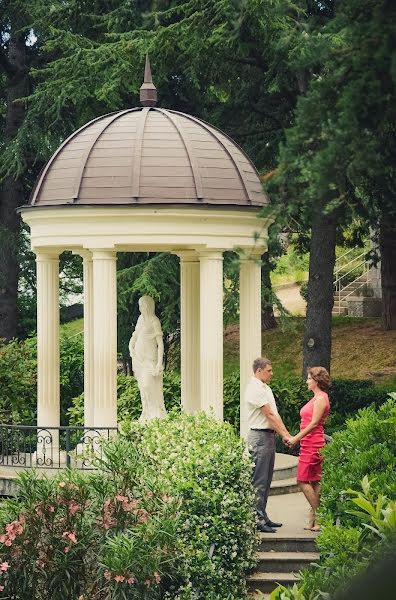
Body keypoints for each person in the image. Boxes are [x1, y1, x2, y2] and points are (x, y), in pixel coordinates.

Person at [245, 357, 292, 533]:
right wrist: (286, 435)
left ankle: (262, 515)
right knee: (259, 480)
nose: (272, 373)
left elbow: (274, 415)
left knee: (266, 479)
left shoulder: (264, 388)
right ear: (259, 371)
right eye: (269, 370)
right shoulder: (255, 389)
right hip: (260, 437)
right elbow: (270, 415)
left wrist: (283, 434)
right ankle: (257, 520)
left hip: (268, 436)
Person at [286, 366, 330, 531]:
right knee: (314, 481)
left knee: (302, 480)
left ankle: (320, 515)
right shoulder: (317, 397)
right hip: (309, 443)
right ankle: (314, 520)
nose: (307, 381)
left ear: (317, 381)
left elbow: (313, 424)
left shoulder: (320, 399)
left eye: (309, 378)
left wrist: (295, 438)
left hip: (312, 444)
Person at [128, 296, 166, 423]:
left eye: (142, 305)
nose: (140, 308)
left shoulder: (154, 321)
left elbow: (160, 344)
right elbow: (136, 334)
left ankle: (156, 415)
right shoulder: (140, 319)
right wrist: (131, 345)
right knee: (142, 388)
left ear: (147, 306)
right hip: (139, 359)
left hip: (150, 359)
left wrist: (159, 364)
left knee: (148, 385)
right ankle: (146, 414)